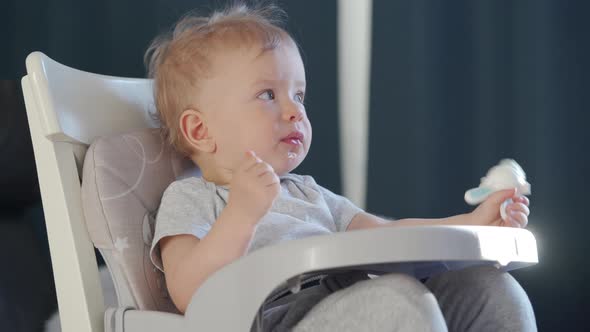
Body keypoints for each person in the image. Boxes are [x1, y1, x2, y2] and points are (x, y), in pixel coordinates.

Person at [146, 2, 536, 331]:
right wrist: (242, 215)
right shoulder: (190, 196)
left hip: (358, 301)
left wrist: (473, 222)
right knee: (394, 300)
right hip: (284, 321)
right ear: (200, 129)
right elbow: (190, 293)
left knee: (488, 286)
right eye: (268, 94)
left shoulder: (308, 192)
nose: (294, 111)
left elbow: (384, 233)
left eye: (298, 94)